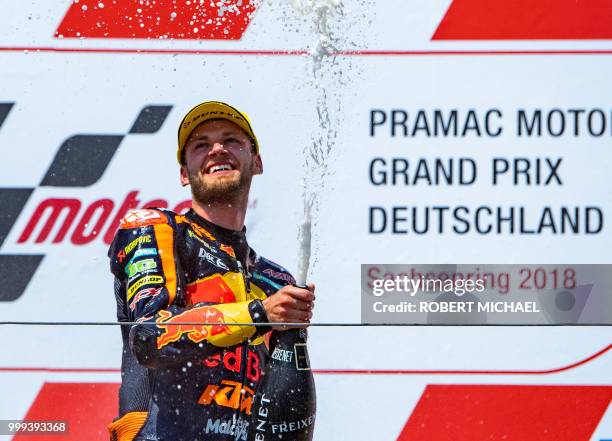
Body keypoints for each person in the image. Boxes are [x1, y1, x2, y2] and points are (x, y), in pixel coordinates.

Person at [107, 101, 315, 441]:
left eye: (231, 140)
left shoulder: (276, 281)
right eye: (201, 145)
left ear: (257, 162)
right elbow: (150, 338)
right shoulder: (157, 229)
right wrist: (259, 314)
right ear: (184, 174)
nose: (217, 149)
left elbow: (285, 409)